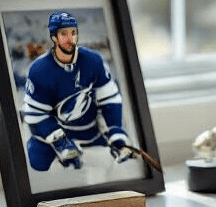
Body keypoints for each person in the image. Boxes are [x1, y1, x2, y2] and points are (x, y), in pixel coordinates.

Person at [22, 12, 134, 171]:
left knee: (121, 159)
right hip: (59, 128)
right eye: (64, 34)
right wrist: (60, 142)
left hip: (90, 128)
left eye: (73, 33)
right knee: (37, 161)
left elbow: (110, 99)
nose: (70, 38)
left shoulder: (93, 60)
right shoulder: (39, 70)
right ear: (54, 37)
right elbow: (35, 113)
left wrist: (114, 130)